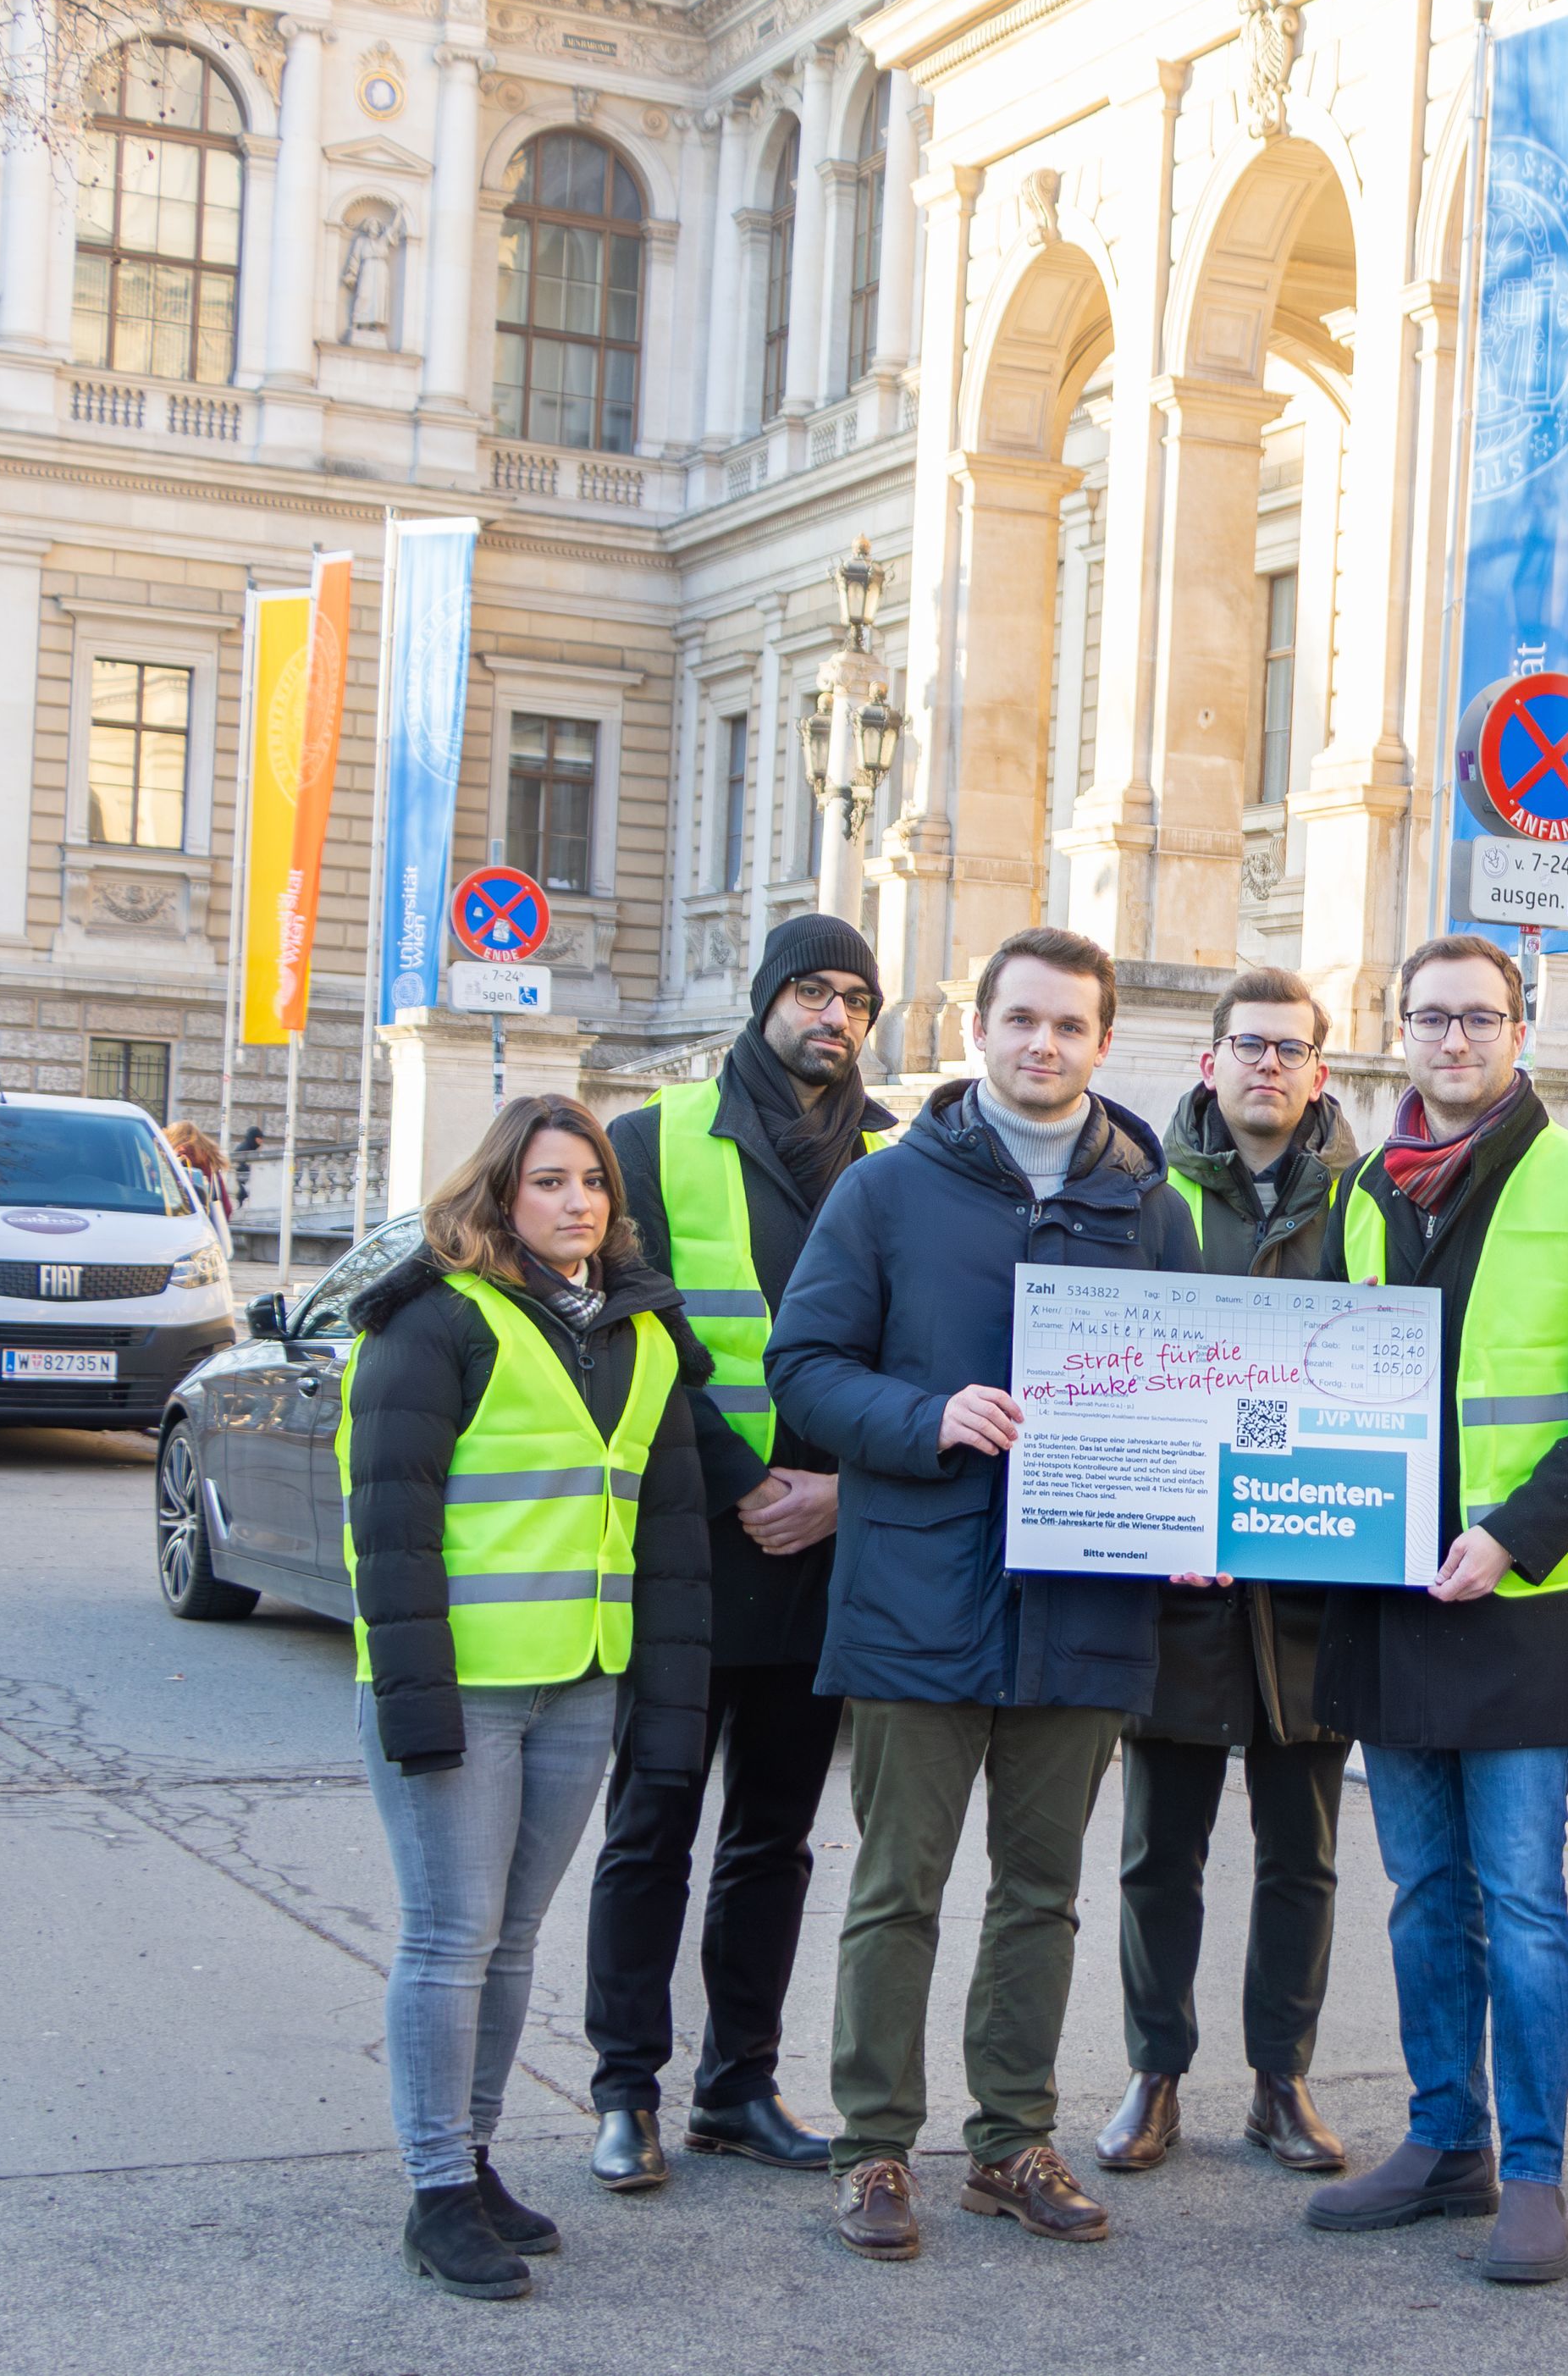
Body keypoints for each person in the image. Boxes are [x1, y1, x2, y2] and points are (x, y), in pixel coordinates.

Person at [768, 926, 1191, 2262]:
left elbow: (1192, 1390)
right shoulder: (890, 1191)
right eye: (1021, 1020)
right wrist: (928, 1415)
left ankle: (1010, 2141)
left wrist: (1195, 1510)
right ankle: (875, 2149)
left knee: (1042, 1890)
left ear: (1103, 1043)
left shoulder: (1150, 1205)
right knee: (898, 1886)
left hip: (1086, 1600)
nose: (1043, 1045)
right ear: (978, 1028)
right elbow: (806, 1366)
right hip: (919, 1594)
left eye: (1069, 1026)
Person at [1300, 934, 1568, 2285]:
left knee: (1521, 1899)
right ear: (1398, 1033)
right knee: (1420, 1895)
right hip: (1391, 1599)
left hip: (1523, 1601)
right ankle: (1444, 2138)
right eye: (1430, 1016)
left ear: (1519, 1031)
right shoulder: (1362, 1196)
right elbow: (1329, 1389)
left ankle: (1536, 2173)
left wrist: (1510, 1540)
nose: (1454, 1039)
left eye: (1480, 1017)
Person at [337, 1093, 715, 2301]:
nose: (577, 1204)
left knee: (508, 1946)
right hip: (464, 1686)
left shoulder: (643, 1336)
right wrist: (412, 1695)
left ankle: (478, 2160)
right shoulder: (434, 1321)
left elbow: (671, 1543)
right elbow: (387, 1527)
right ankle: (436, 2191)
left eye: (593, 1183)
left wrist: (666, 1708)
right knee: (451, 1940)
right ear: (501, 1193)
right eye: (550, 1182)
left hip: (583, 1682)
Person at [582, 917, 897, 2193]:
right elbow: (631, 1328)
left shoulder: (901, 1154)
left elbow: (923, 1352)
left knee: (775, 1836)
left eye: (859, 1001)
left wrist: (836, 1493)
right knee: (651, 1821)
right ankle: (623, 2091)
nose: (837, 1016)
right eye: (815, 991)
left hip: (828, 1550)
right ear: (767, 1000)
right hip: (692, 1548)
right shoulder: (650, 1141)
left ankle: (737, 2086)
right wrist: (746, 1481)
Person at [1096, 966, 1361, 2179]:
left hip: (1312, 1589)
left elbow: (1383, 1382)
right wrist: (1162, 1522)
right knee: (1162, 1850)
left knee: (1302, 1852)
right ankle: (1156, 2076)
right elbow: (1121, 1377)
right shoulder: (1149, 1202)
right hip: (1181, 1588)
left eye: (1290, 1050)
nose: (1268, 1066)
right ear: (1212, 1062)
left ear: (1320, 1070)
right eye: (1248, 1046)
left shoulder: (1368, 1207)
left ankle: (1281, 2083)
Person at [164, 1121, 236, 1241]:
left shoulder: (176, 1159)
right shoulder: (210, 1163)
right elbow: (226, 1208)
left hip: (178, 1232)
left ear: (174, 1137)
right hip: (207, 1234)